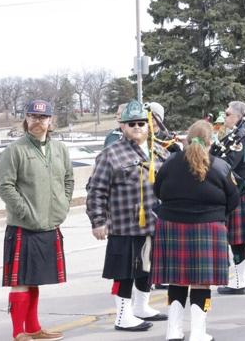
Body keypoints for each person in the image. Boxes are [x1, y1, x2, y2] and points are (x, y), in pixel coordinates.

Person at [151, 120, 240, 341]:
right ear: (211, 142)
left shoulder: (170, 163)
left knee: (176, 279)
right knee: (201, 282)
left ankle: (173, 331)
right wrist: (216, 215)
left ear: (187, 139)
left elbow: (158, 190)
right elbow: (234, 199)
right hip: (208, 228)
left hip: (171, 225)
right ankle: (198, 333)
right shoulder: (219, 165)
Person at [86, 99, 169, 332]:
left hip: (153, 222)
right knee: (124, 272)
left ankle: (142, 307)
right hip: (124, 224)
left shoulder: (158, 150)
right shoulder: (110, 154)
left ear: (149, 125)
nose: (137, 127)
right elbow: (96, 190)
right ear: (122, 126)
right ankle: (123, 315)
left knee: (146, 268)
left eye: (142, 122)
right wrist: (98, 221)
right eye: (131, 123)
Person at [0, 100, 73, 341]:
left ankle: (34, 328)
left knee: (35, 280)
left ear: (51, 121)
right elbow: (5, 186)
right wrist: (25, 211)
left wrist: (63, 205)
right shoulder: (15, 150)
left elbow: (69, 180)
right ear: (26, 119)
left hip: (50, 224)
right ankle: (18, 332)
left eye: (43, 117)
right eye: (33, 116)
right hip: (24, 226)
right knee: (20, 281)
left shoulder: (60, 149)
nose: (38, 121)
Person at [215, 101, 245, 296]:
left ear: (237, 116)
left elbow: (227, 163)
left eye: (227, 114)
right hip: (244, 190)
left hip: (240, 191)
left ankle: (238, 281)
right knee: (238, 238)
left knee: (236, 239)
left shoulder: (240, 135)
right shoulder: (242, 132)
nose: (225, 116)